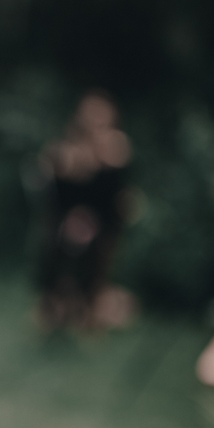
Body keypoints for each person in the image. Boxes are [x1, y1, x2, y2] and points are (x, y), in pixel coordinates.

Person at [37, 91, 133, 330]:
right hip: (66, 220)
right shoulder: (66, 147)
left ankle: (88, 309)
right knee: (56, 248)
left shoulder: (116, 147)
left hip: (100, 223)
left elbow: (115, 172)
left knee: (96, 259)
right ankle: (54, 306)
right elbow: (52, 166)